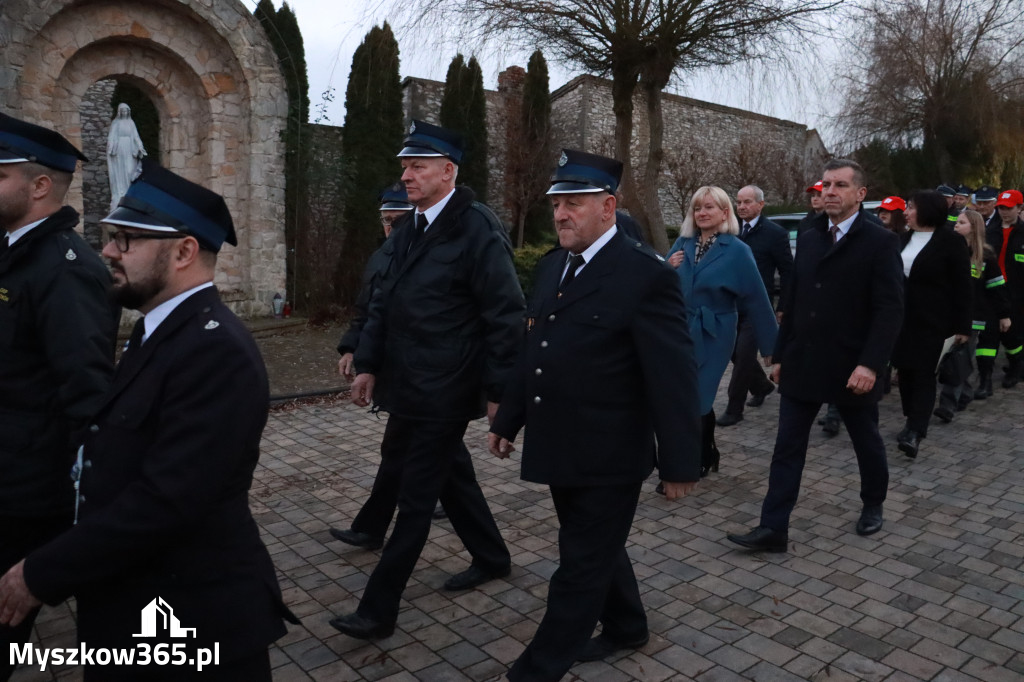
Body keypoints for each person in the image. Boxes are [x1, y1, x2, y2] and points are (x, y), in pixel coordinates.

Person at [0, 162, 298, 680]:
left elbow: (166, 500)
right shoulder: (159, 331)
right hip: (138, 606)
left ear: (183, 251)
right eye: (110, 238)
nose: (108, 252)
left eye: (125, 240)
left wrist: (41, 572)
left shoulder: (214, 350)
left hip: (193, 624)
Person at [488, 149, 701, 682]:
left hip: (611, 453)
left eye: (573, 203)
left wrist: (680, 463)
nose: (560, 214)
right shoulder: (553, 265)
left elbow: (672, 379)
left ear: (608, 207)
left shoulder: (645, 275)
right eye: (557, 203)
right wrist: (507, 419)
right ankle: (628, 625)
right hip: (559, 443)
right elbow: (533, 348)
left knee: (579, 566)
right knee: (592, 545)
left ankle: (536, 670)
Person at [329, 120, 523, 640]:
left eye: (417, 166)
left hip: (446, 387)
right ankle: (492, 555)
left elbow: (505, 316)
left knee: (414, 500)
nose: (406, 175)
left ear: (448, 171)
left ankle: (378, 609)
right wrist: (368, 362)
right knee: (448, 474)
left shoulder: (476, 227)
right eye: (405, 166)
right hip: (407, 384)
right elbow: (384, 304)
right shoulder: (412, 226)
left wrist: (499, 395)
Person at [726, 159, 904, 551]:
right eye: (826, 185)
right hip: (803, 362)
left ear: (860, 194)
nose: (830, 192)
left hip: (851, 366)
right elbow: (793, 299)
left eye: (840, 185)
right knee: (787, 447)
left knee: (866, 441)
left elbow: (890, 309)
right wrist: (779, 355)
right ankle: (773, 528)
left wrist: (871, 364)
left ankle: (873, 502)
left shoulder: (880, 242)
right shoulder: (809, 236)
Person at [0, 112, 117, 681]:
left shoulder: (65, 271)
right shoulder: (14, 253)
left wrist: (77, 531)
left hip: (23, 497)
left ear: (39, 185)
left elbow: (88, 398)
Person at [666, 186, 777, 475]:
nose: (702, 213)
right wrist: (667, 267)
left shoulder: (738, 250)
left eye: (709, 207)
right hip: (681, 330)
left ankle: (694, 461)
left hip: (715, 333)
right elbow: (659, 287)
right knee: (683, 397)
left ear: (724, 212)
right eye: (697, 208)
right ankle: (708, 451)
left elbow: (756, 297)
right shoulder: (683, 243)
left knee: (700, 396)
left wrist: (771, 347)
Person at [890, 191, 972, 458]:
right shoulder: (901, 240)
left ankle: (915, 430)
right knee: (905, 373)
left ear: (926, 210)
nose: (905, 212)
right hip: (901, 320)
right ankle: (910, 417)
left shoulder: (950, 242)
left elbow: (963, 286)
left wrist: (963, 326)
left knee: (924, 374)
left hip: (934, 322)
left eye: (910, 207)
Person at [717, 185, 791, 426]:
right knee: (733, 353)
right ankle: (761, 386)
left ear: (760, 204)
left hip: (757, 307)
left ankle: (734, 408)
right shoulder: (729, 230)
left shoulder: (775, 234)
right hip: (730, 304)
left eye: (747, 202)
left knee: (745, 355)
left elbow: (788, 272)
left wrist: (784, 306)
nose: (742, 207)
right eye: (738, 202)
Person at [936, 209, 1010, 412]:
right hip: (948, 316)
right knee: (951, 359)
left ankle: (947, 405)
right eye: (956, 222)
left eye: (961, 223)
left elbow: (997, 289)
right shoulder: (947, 252)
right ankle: (966, 393)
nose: (956, 225)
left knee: (959, 359)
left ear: (974, 228)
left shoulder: (985, 257)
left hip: (974, 318)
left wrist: (1004, 315)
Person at [983, 189, 1024, 388]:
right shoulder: (990, 231)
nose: (1004, 212)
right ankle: (985, 378)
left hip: (1016, 293)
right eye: (1001, 208)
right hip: (992, 290)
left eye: (1008, 208)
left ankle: (1016, 366)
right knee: (990, 333)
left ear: (1019, 208)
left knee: (1013, 334)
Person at [106, 103, 147, 211]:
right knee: (120, 171)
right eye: (122, 111)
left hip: (129, 148)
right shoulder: (116, 123)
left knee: (130, 171)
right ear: (120, 112)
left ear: (128, 112)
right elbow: (111, 136)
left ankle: (129, 192)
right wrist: (111, 147)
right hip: (119, 149)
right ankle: (120, 193)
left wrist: (140, 146)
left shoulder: (131, 123)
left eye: (126, 111)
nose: (124, 113)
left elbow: (136, 136)